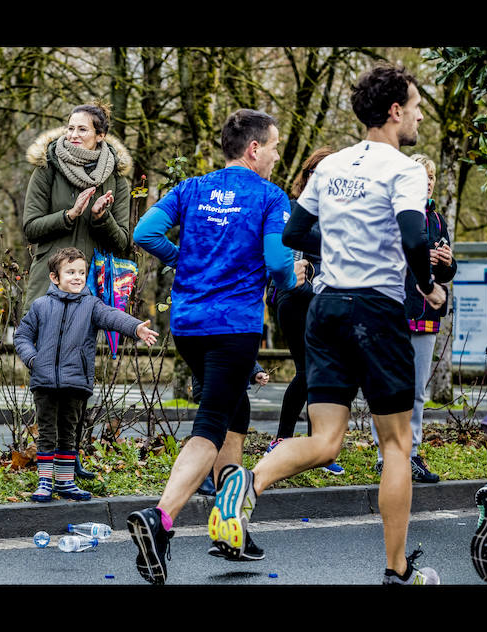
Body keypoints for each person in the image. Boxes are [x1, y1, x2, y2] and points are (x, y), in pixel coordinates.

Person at [222, 62, 446, 585]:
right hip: (375, 311)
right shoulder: (405, 167)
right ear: (394, 111)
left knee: (325, 442)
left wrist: (344, 249)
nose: (416, 117)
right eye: (414, 108)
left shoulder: (332, 166)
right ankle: (395, 571)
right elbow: (416, 239)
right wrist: (428, 286)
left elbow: (298, 233)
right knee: (395, 445)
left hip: (326, 311)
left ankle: (246, 486)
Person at [127, 109, 307, 584]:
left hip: (188, 324)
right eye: (272, 148)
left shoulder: (191, 189)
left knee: (234, 414)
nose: (274, 156)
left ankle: (231, 529)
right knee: (210, 425)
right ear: (253, 149)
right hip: (233, 325)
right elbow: (276, 259)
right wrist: (293, 275)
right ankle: (160, 520)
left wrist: (183, 259)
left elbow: (144, 233)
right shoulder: (270, 197)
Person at [21, 101, 134, 479]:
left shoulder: (115, 178)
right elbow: (31, 227)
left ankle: (70, 458)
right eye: (69, 128)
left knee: (76, 373)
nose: (72, 135)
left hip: (89, 288)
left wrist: (99, 219)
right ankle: (43, 456)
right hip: (48, 285)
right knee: (45, 374)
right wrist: (69, 215)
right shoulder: (48, 168)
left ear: (100, 136)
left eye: (82, 129)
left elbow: (122, 244)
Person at [13, 247, 158, 502]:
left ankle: (65, 481)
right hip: (44, 381)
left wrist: (136, 329)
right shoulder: (40, 306)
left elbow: (113, 317)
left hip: (76, 381)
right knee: (47, 432)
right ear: (54, 278)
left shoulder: (91, 305)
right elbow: (23, 336)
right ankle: (45, 481)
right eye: (70, 272)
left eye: (81, 272)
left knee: (69, 432)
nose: (78, 277)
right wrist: (33, 360)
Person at [370, 153, 456, 483]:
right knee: (391, 387)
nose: (429, 181)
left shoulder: (436, 219)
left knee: (418, 390)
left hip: (427, 313)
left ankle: (412, 454)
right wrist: (416, 260)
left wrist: (445, 262)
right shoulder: (392, 214)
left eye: (432, 176)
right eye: (424, 175)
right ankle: (384, 456)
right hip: (393, 309)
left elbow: (447, 273)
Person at [264, 147, 345, 475]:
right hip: (295, 297)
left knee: (320, 372)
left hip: (327, 301)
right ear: (308, 176)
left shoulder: (340, 215)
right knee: (309, 369)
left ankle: (316, 446)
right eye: (318, 172)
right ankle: (283, 440)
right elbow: (288, 252)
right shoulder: (295, 209)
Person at [195, 361, 268, 498]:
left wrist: (255, 371)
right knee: (215, 432)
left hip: (235, 380)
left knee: (235, 427)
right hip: (216, 380)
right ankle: (204, 476)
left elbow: (242, 347)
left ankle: (223, 481)